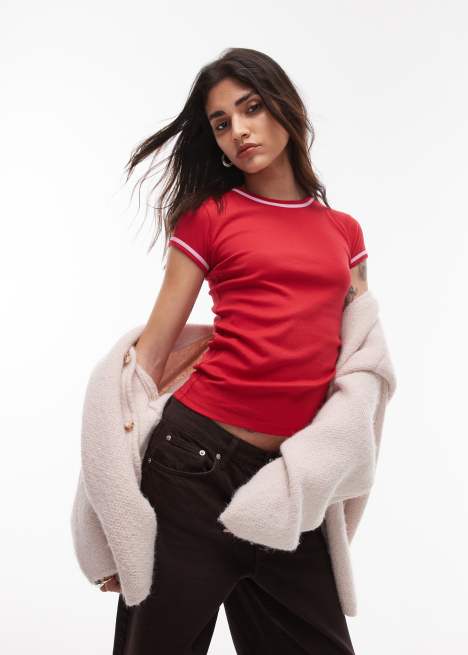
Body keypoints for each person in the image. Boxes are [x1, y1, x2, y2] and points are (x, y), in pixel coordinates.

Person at [107, 47, 368, 654]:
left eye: (251, 109)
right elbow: (149, 359)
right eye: (222, 123)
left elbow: (357, 361)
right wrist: (117, 512)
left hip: (287, 488)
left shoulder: (344, 232)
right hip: (190, 471)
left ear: (287, 108)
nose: (239, 131)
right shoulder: (210, 216)